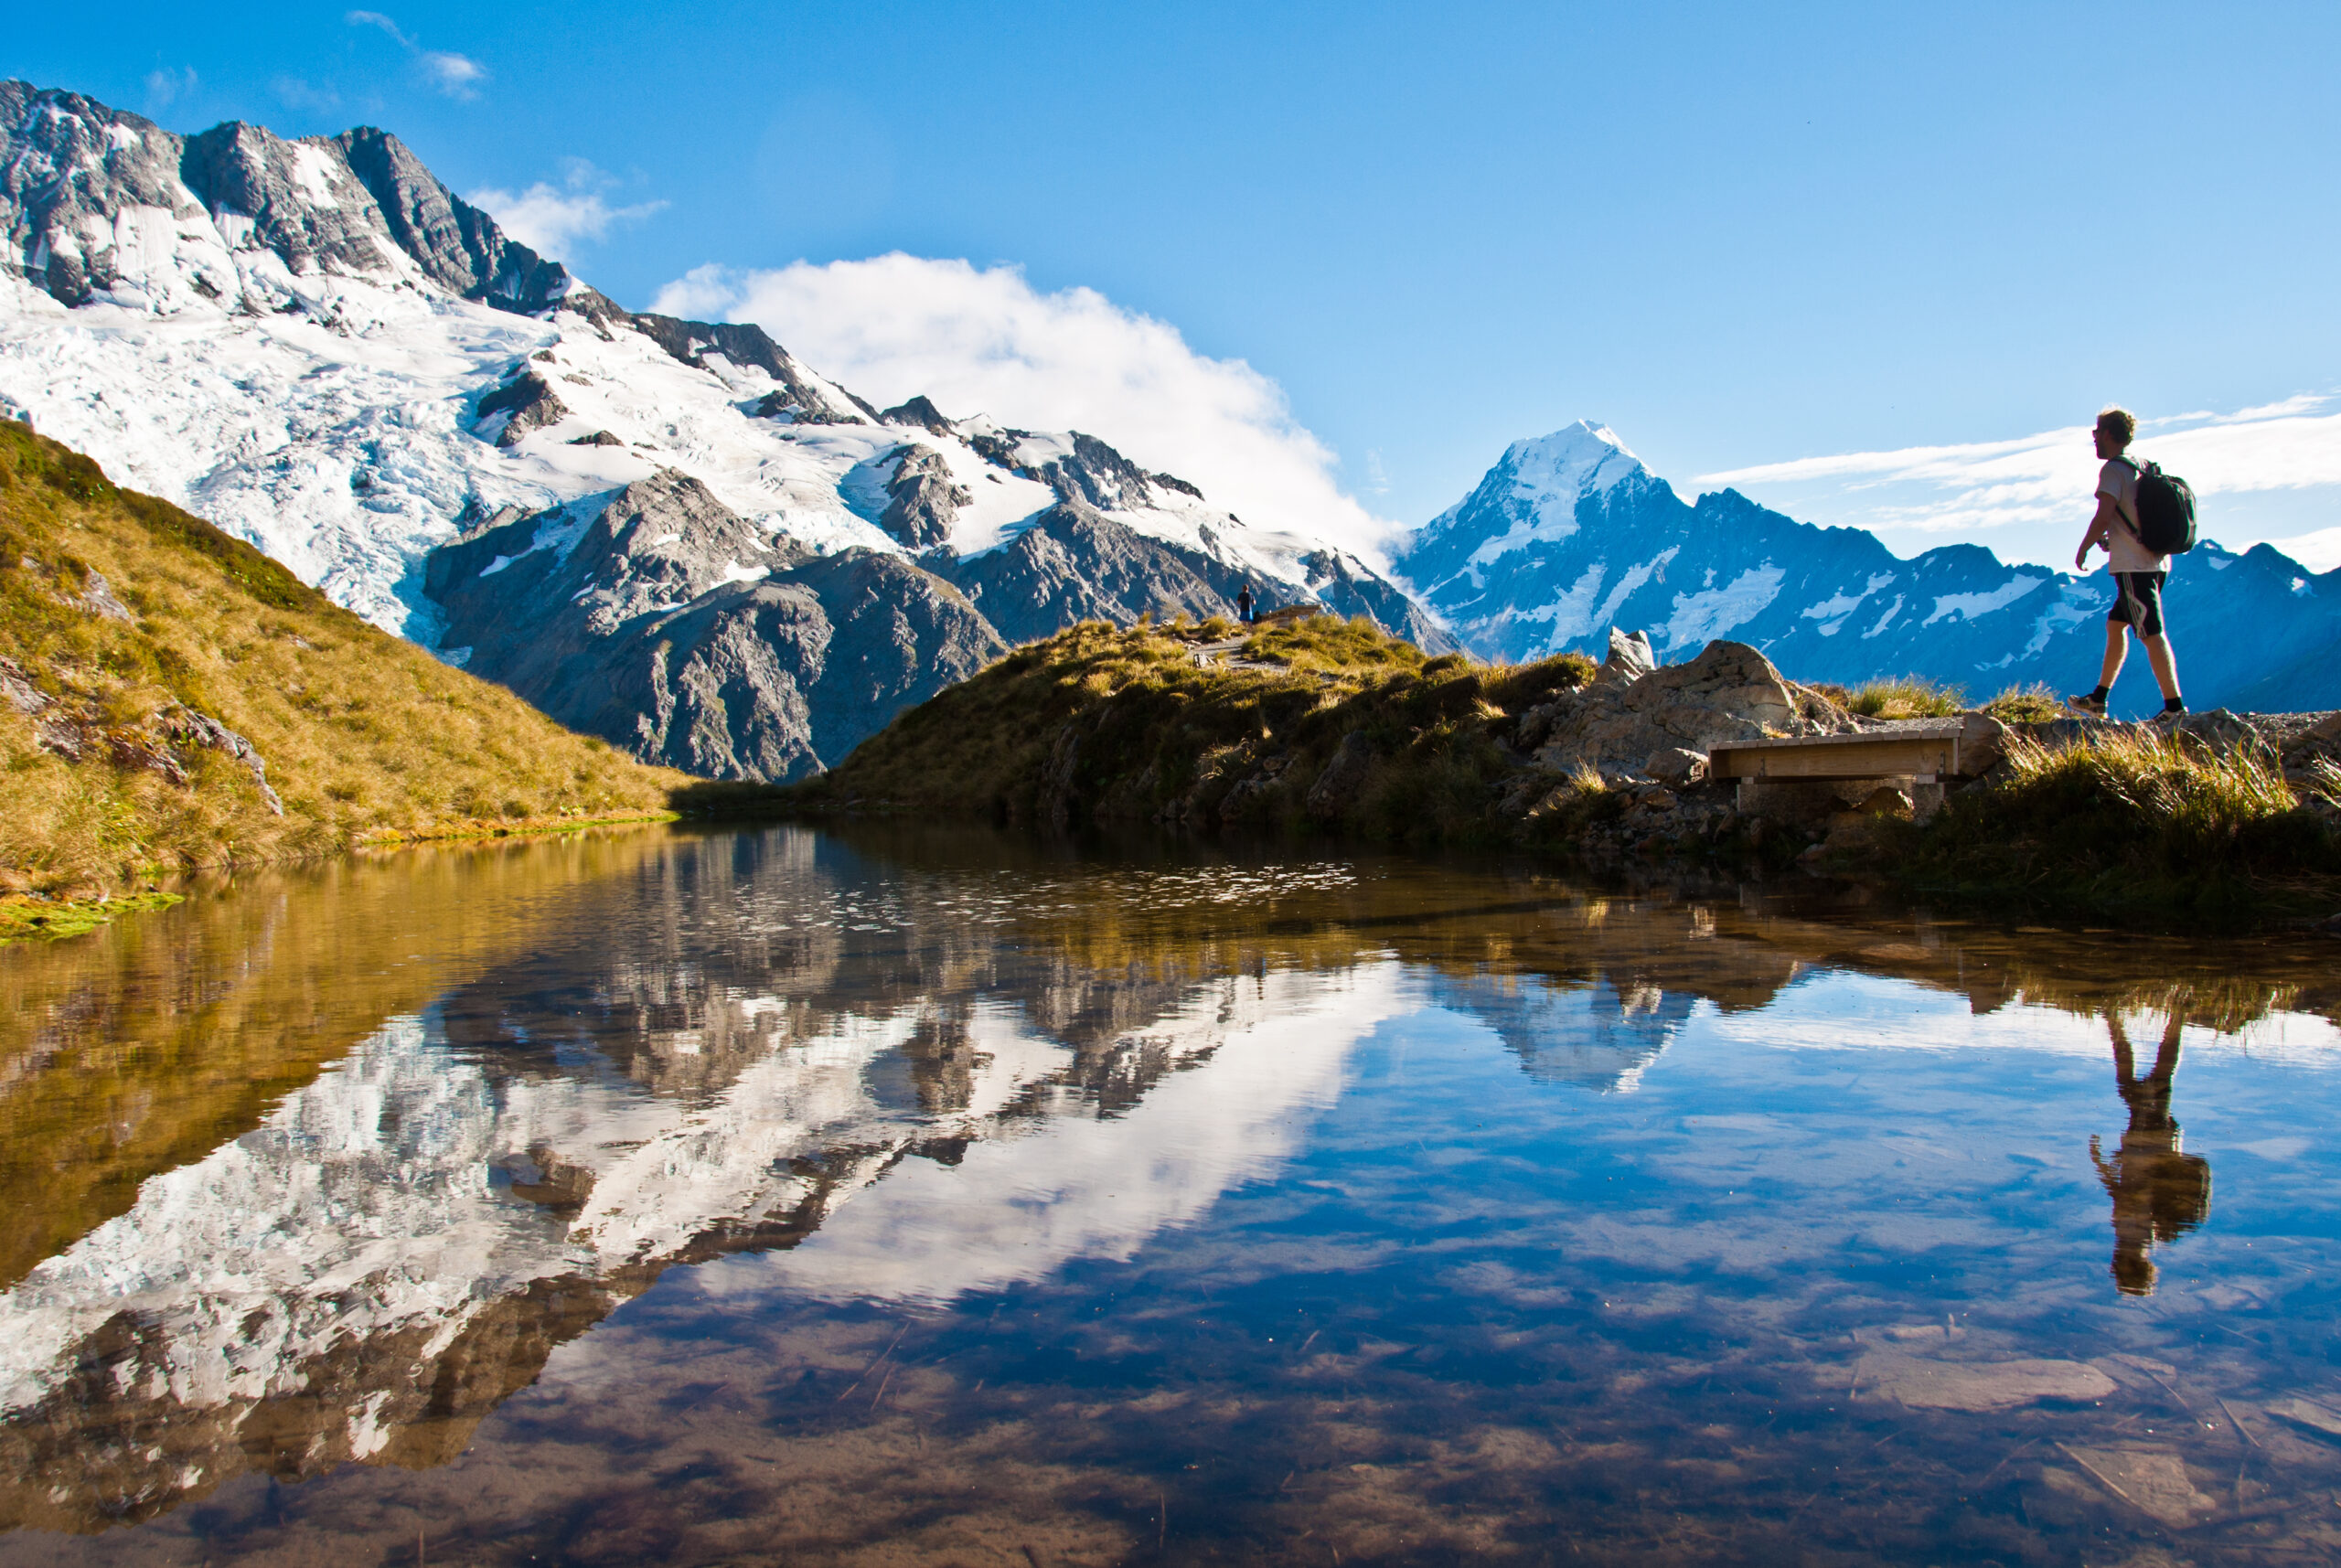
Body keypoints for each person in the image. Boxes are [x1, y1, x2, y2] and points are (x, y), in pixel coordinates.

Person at [2067, 406, 2185, 720]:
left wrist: (2086, 546)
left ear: (2107, 434)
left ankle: (2174, 708)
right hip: (2156, 561)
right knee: (2116, 624)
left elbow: (2104, 513)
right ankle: (2099, 698)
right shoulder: (2144, 466)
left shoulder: (2113, 471)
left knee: (2151, 633)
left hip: (2134, 567)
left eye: (2095, 433)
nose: (2094, 440)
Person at [2088, 1010, 2211, 1296]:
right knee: (2149, 1080)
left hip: (2152, 1142)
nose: (2112, 1265)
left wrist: (2107, 1163)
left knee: (2146, 1081)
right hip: (2147, 1141)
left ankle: (2157, 1020)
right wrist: (2102, 1164)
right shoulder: (2136, 1237)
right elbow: (2128, 1195)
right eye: (2118, 1270)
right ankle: (2161, 1018)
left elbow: (2125, 1195)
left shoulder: (2145, 1238)